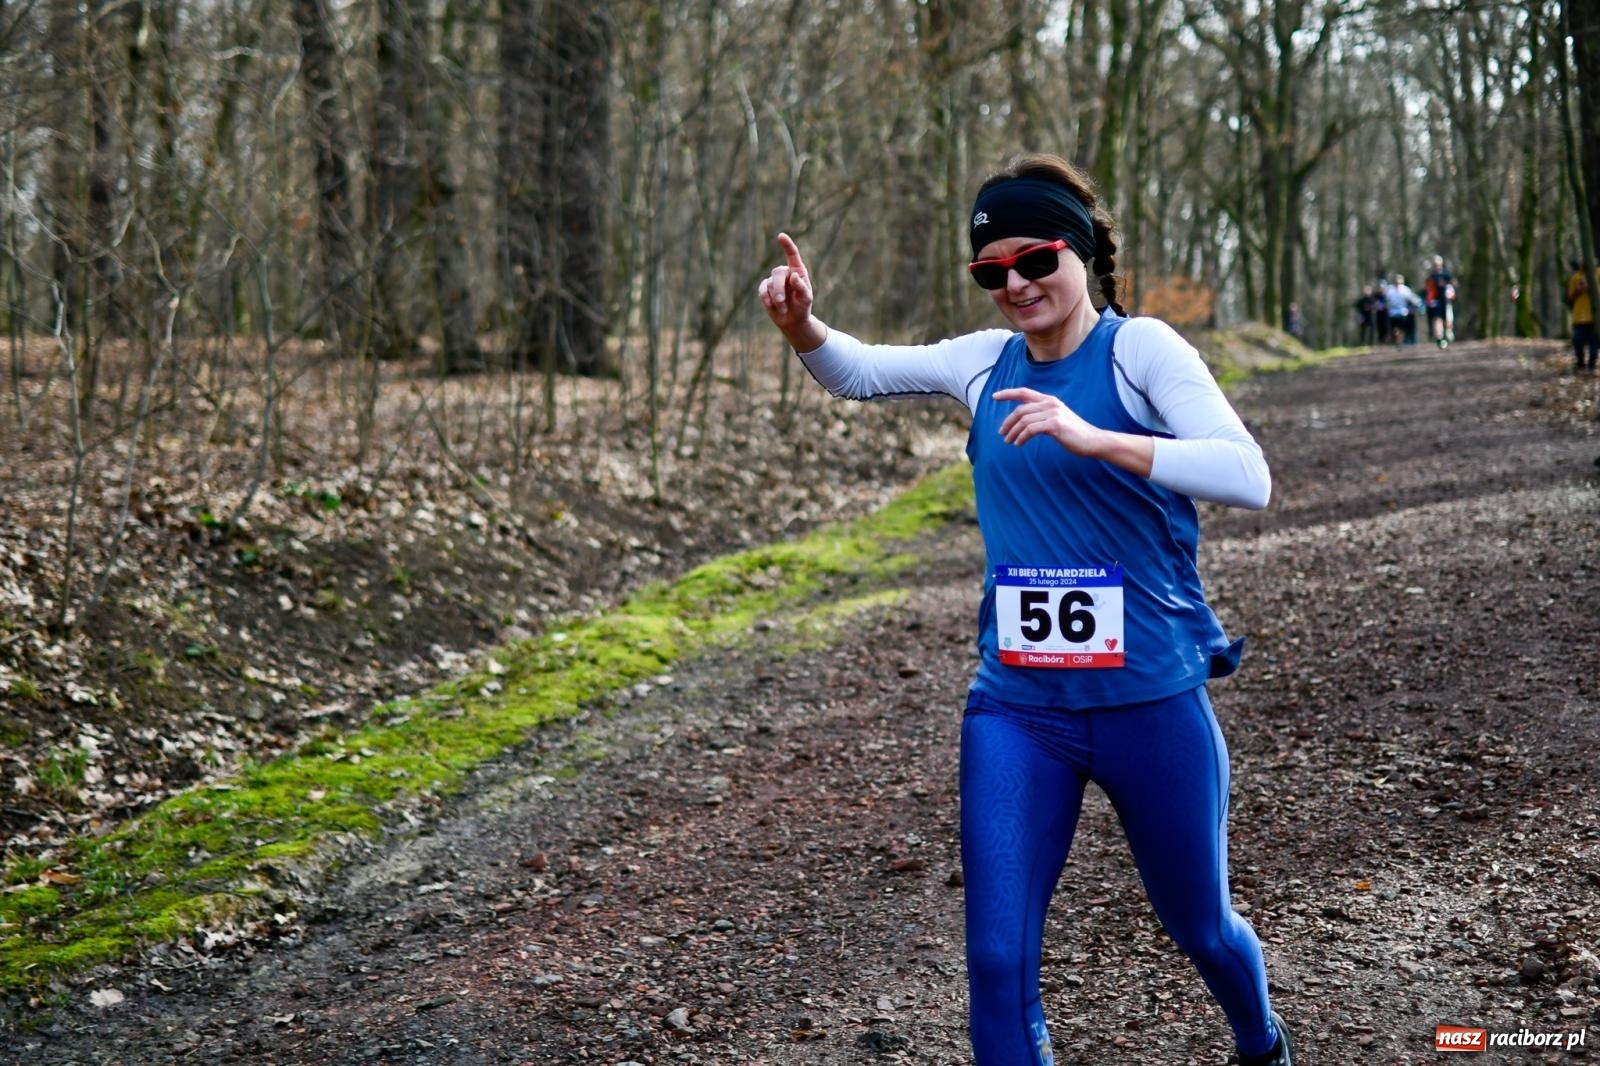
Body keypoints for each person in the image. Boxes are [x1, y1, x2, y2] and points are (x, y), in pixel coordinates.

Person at [757, 153, 1291, 1066]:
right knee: (998, 960)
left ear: (1079, 253)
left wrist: (1096, 436)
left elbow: (1249, 475)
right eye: (992, 270)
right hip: (1018, 710)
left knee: (1200, 927)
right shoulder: (985, 363)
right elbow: (858, 372)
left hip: (1149, 703)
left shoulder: (1141, 351)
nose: (1016, 284)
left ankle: (1262, 1043)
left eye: (1037, 260)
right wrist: (803, 324)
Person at [1567, 259, 1597, 372]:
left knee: (1594, 342)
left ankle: (1592, 365)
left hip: (1595, 316)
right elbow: (1570, 297)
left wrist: (1592, 287)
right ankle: (1580, 363)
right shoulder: (1576, 277)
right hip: (1579, 316)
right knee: (1577, 339)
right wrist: (1578, 289)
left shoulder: (1598, 273)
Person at [1423, 255, 1456, 348]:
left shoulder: (1446, 275)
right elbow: (1427, 289)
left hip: (1446, 301)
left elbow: (1453, 284)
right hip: (1435, 302)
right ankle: (1439, 338)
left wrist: (1449, 289)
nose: (1436, 266)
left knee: (1448, 320)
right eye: (1435, 265)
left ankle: (1448, 333)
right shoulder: (1431, 277)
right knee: (1437, 320)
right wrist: (1429, 299)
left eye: (1438, 264)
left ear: (1441, 264)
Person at [1384, 272, 1421, 346]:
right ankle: (1398, 340)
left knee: (1401, 329)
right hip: (1393, 313)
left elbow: (1413, 299)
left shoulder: (1404, 290)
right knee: (1396, 329)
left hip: (1402, 312)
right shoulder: (1390, 290)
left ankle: (1399, 341)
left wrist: (1418, 304)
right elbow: (1386, 300)